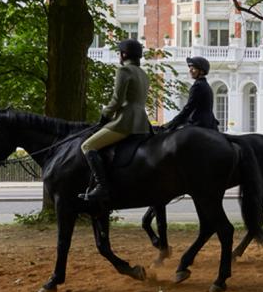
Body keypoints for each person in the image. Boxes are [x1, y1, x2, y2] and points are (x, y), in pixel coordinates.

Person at [80, 38, 152, 205]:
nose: (119, 56)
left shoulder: (124, 71)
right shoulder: (143, 73)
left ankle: (101, 187)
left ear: (124, 54)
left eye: (119, 53)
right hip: (141, 121)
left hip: (125, 121)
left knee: (87, 146)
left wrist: (105, 115)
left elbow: (117, 100)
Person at [162, 56, 220, 131]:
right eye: (190, 69)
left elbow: (188, 108)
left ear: (201, 71)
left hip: (198, 123)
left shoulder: (198, 86)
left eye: (193, 69)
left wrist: (172, 123)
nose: (190, 71)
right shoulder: (205, 85)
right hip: (209, 124)